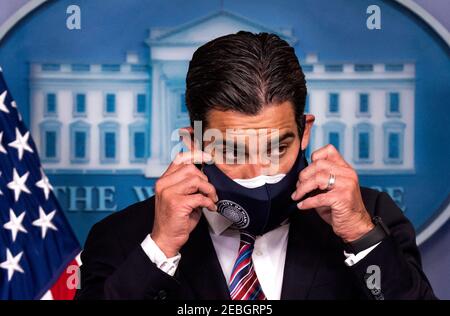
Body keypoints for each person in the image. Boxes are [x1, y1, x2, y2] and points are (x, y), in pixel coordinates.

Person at [75, 31, 435, 300]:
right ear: (193, 142)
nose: (258, 173)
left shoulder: (371, 215)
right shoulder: (124, 236)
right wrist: (161, 248)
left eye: (277, 148)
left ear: (304, 131)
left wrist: (360, 235)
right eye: (232, 152)